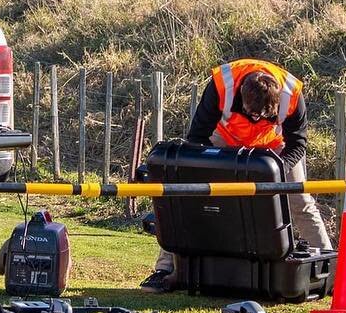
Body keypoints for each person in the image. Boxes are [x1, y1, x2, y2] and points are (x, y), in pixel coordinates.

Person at [139, 59, 332, 293]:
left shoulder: (292, 93)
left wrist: (277, 170)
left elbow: (298, 144)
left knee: (300, 201)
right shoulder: (222, 84)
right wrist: (210, 168)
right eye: (252, 114)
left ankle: (329, 271)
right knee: (187, 196)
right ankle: (164, 270)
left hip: (276, 148)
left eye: (264, 116)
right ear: (242, 96)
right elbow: (197, 137)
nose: (256, 121)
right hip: (225, 141)